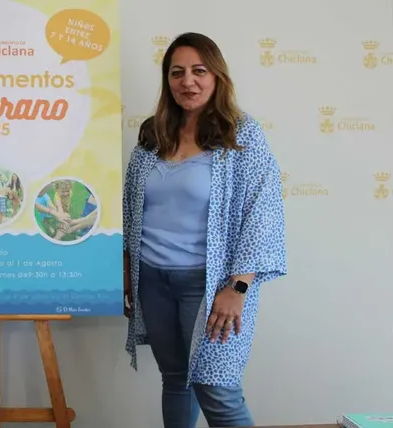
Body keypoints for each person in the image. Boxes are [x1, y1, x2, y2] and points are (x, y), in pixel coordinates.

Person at [122, 32, 287, 428]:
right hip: (153, 281)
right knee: (175, 380)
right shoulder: (153, 134)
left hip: (211, 286)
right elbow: (130, 206)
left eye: (199, 71)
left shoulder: (240, 135)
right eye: (177, 73)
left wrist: (239, 287)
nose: (188, 82)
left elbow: (262, 213)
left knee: (218, 390)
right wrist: (127, 268)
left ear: (216, 76)